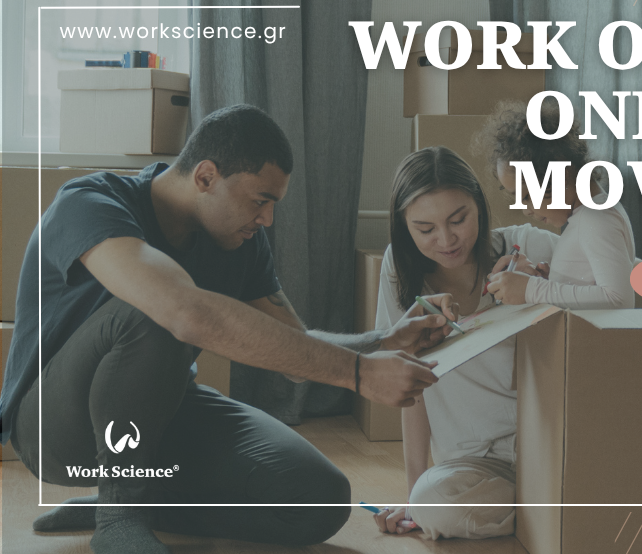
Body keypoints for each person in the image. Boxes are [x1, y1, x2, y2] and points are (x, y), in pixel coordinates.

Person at [0, 105, 455, 554]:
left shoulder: (240, 241)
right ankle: (121, 516)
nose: (267, 220)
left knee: (318, 500)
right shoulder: (89, 203)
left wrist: (380, 342)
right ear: (205, 177)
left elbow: (297, 352)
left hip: (162, 415)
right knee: (158, 310)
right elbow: (182, 312)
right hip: (54, 427)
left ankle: (137, 501)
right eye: (260, 201)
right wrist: (359, 374)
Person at [371, 147, 559, 540]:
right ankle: (555, 513)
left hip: (549, 447)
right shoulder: (399, 273)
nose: (446, 239)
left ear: (479, 204)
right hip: (475, 465)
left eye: (459, 220)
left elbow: (624, 289)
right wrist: (412, 494)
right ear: (404, 226)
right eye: (425, 229)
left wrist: (544, 285)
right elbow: (411, 387)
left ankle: (554, 508)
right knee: (430, 502)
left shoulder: (525, 246)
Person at [477, 100, 637, 310]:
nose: (526, 210)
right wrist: (553, 282)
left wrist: (532, 289)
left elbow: (619, 300)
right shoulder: (588, 215)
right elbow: (591, 285)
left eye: (527, 196)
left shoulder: (597, 218)